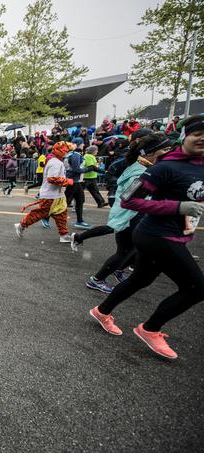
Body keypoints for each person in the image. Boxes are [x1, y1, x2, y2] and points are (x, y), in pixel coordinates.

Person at [87, 115, 204, 359]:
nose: (202, 138)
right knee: (196, 288)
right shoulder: (164, 168)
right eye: (197, 134)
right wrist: (177, 207)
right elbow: (128, 199)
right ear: (184, 137)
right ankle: (151, 329)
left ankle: (101, 311)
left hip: (174, 235)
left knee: (140, 280)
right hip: (156, 235)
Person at [80, 133, 172, 294]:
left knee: (134, 249)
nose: (170, 152)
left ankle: (117, 271)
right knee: (124, 252)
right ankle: (97, 279)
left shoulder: (146, 168)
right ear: (150, 152)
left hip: (135, 216)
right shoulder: (141, 173)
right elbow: (127, 197)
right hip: (130, 217)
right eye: (165, 149)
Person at [15, 142, 74, 243]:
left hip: (57, 195)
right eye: (66, 151)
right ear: (60, 151)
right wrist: (67, 181)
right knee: (39, 214)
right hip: (50, 196)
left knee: (61, 215)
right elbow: (52, 179)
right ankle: (21, 225)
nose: (67, 153)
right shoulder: (55, 162)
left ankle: (64, 235)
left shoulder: (57, 162)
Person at [64, 140, 91, 229]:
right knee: (64, 203)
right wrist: (88, 169)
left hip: (75, 181)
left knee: (80, 200)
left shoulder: (72, 154)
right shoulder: (74, 155)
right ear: (77, 144)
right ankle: (46, 217)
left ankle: (79, 221)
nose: (83, 144)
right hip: (72, 182)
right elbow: (76, 169)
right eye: (82, 143)